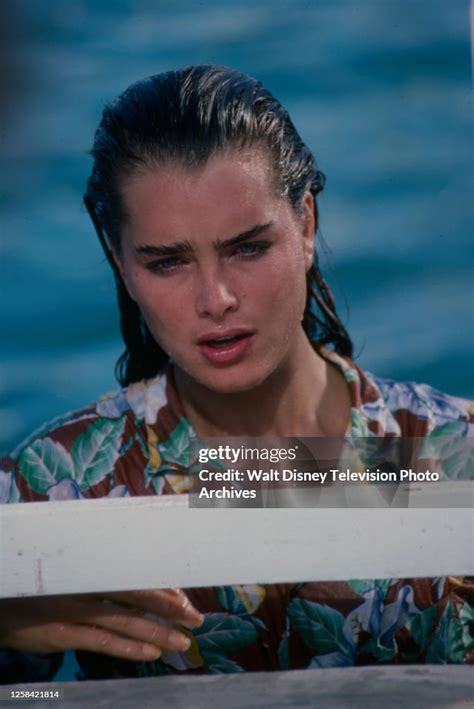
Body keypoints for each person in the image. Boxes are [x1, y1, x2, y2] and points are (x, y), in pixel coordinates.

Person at [1, 65, 472, 683]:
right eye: (167, 262)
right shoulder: (57, 482)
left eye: (248, 247)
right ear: (120, 264)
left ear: (305, 225)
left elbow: (256, 479)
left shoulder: (453, 449)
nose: (215, 298)